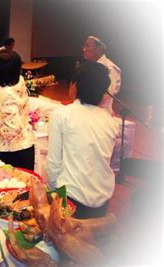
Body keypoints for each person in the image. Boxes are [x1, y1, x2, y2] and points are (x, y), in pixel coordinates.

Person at [47, 61, 120, 219]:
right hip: (103, 199)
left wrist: (55, 196)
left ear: (74, 86)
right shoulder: (110, 121)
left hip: (71, 199)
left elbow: (53, 164)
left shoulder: (61, 115)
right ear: (103, 93)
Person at [0, 51, 36, 171]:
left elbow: (13, 129)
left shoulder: (6, 93)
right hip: (25, 145)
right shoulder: (19, 80)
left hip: (13, 150)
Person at [82, 35, 121, 114]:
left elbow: (107, 95)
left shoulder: (110, 68)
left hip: (101, 112)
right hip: (87, 109)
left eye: (88, 46)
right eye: (84, 46)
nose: (84, 49)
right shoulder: (89, 65)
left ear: (99, 49)